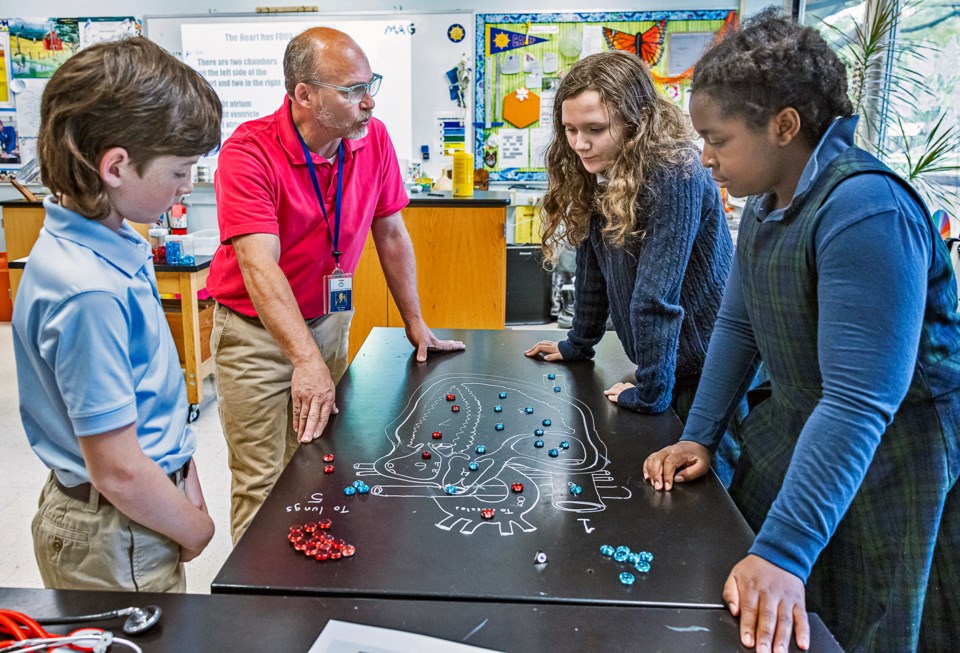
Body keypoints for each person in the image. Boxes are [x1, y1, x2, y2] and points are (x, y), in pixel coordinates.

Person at [643, 10, 960, 653]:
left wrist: (785, 552)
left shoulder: (865, 210)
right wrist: (699, 434)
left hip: (894, 454)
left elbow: (859, 399)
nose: (705, 158)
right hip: (799, 425)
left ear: (784, 126)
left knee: (867, 618)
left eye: (719, 139)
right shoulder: (766, 202)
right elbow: (739, 322)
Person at [208, 27, 464, 543]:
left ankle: (311, 582)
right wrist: (304, 361)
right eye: (351, 90)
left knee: (319, 459)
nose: (368, 102)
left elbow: (391, 233)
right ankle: (257, 610)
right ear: (303, 94)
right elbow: (260, 267)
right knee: (262, 478)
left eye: (372, 85)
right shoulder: (249, 153)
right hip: (253, 334)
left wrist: (416, 322)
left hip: (326, 321)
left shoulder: (372, 141)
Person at [12, 37, 220, 591]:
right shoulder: (88, 292)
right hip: (117, 535)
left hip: (138, 509)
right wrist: (194, 528)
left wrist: (186, 476)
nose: (187, 186)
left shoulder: (114, 242)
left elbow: (150, 393)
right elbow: (119, 469)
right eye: (179, 171)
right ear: (116, 167)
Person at [523, 50, 734, 425]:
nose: (579, 144)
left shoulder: (676, 172)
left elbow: (656, 295)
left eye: (595, 129)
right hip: (662, 362)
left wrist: (651, 390)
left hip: (706, 366)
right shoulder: (602, 167)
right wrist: (578, 344)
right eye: (570, 129)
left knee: (707, 473)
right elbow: (593, 269)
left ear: (635, 121)